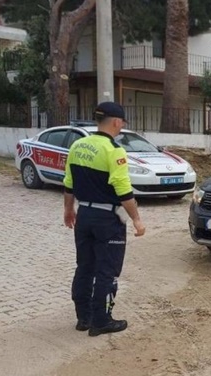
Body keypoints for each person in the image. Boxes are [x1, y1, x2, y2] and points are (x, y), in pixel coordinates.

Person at [63, 102, 146, 337]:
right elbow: (123, 190)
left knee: (84, 267)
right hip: (108, 219)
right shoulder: (114, 150)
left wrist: (69, 210)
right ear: (116, 122)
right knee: (106, 271)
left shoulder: (77, 146)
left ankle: (84, 318)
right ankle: (101, 320)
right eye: (122, 124)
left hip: (85, 216)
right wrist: (137, 219)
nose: (121, 127)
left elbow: (69, 183)